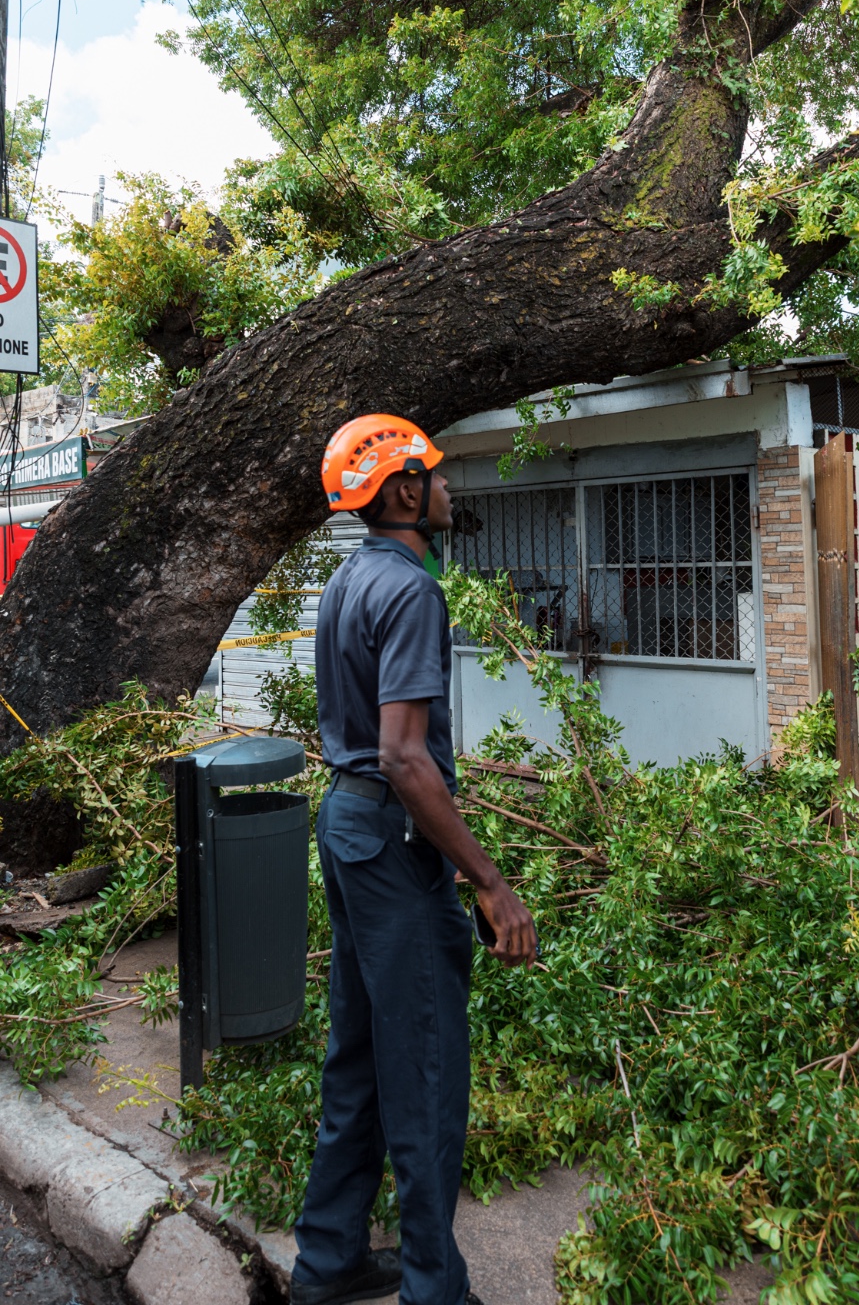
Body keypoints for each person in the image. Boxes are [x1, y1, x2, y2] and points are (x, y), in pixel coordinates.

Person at [291, 415, 538, 1305]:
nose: (447, 487)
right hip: (394, 847)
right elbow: (404, 757)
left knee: (356, 1056)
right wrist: (492, 881)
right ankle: (436, 1290)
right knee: (426, 1072)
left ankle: (327, 1265)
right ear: (401, 492)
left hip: (349, 833)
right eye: (434, 474)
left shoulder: (348, 581)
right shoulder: (412, 593)